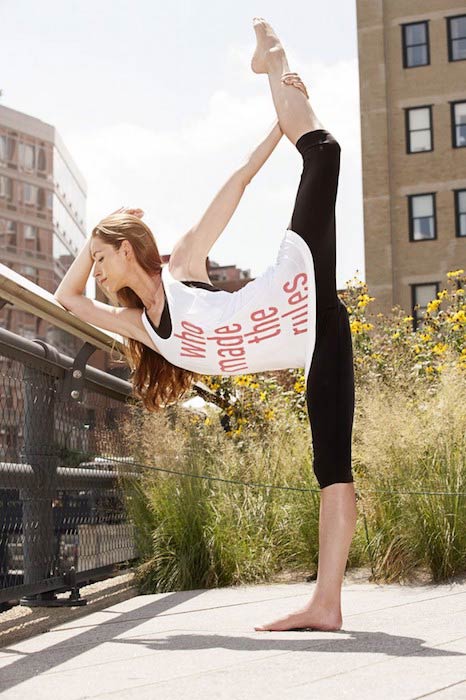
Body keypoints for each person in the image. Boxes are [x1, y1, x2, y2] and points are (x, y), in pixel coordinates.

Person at [54, 17, 357, 632]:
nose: (99, 269)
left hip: (298, 286)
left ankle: (272, 58)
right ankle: (326, 605)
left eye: (103, 256)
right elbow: (67, 298)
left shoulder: (185, 264)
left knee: (322, 152)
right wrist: (94, 239)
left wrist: (280, 116)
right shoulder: (141, 327)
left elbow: (241, 179)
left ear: (129, 250)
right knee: (333, 466)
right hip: (316, 341)